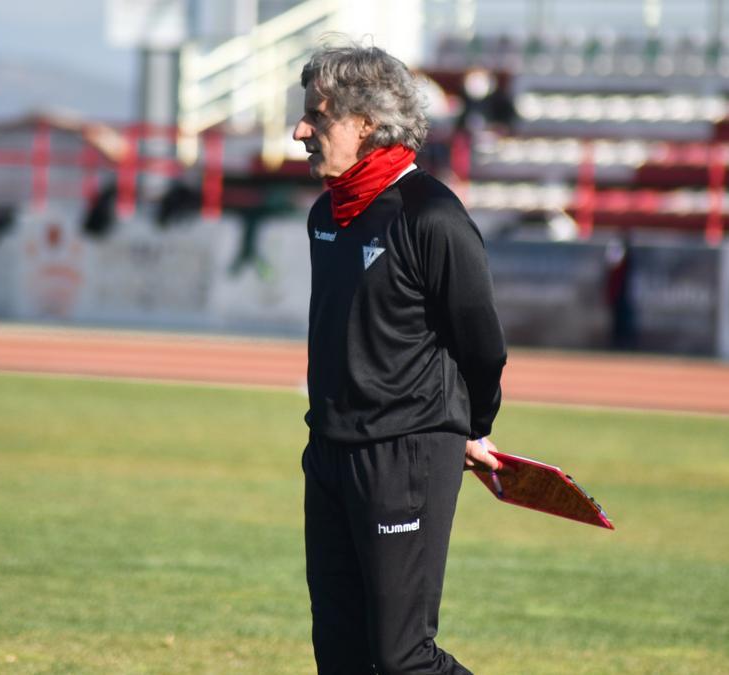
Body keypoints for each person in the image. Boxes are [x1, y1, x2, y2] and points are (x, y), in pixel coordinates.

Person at [293, 43, 508, 673]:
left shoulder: (432, 216)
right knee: (340, 656)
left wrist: (474, 428)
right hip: (328, 453)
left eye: (317, 116)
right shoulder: (323, 215)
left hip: (406, 454)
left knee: (402, 659)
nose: (301, 130)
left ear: (365, 122)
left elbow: (482, 345)